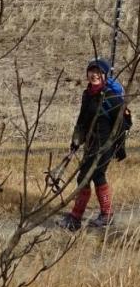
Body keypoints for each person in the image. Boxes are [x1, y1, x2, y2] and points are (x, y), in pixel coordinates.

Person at [57, 58, 127, 230]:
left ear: (104, 75)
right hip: (91, 144)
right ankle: (106, 215)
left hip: (105, 145)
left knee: (86, 177)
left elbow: (125, 122)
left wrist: (120, 146)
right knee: (95, 176)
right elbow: (82, 120)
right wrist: (76, 141)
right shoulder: (87, 94)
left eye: (98, 72)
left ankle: (76, 219)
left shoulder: (112, 97)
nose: (94, 75)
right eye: (91, 71)